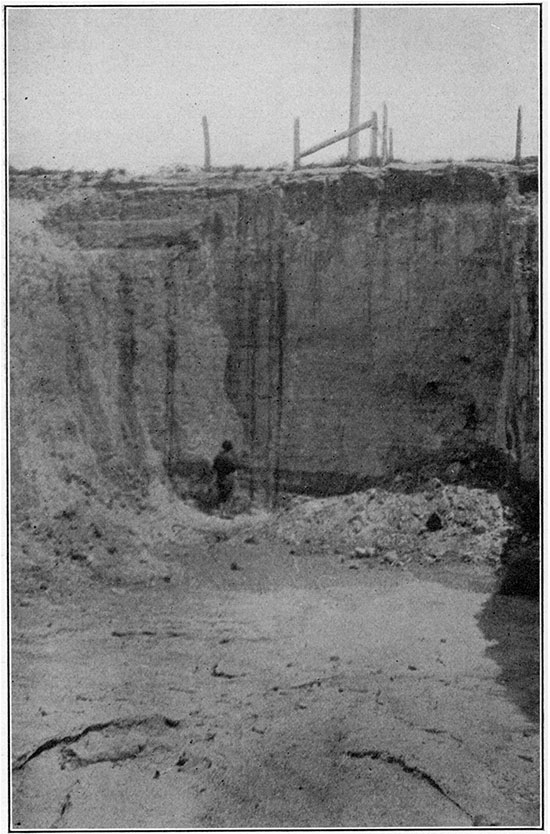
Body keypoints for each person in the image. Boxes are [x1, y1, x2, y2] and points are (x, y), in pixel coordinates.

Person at [213, 440, 239, 509]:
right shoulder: (231, 457)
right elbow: (234, 468)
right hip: (228, 478)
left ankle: (220, 511)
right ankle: (225, 511)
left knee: (221, 495)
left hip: (219, 478)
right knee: (229, 495)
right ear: (230, 448)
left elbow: (214, 467)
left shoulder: (218, 456)